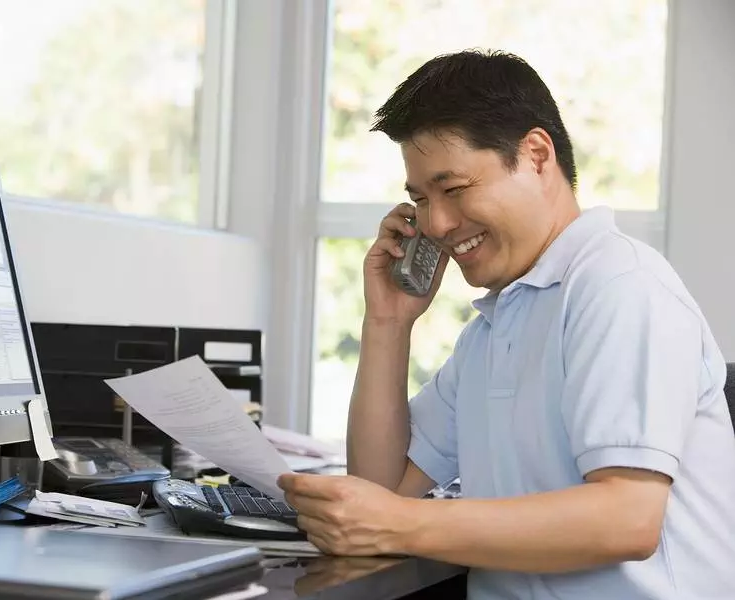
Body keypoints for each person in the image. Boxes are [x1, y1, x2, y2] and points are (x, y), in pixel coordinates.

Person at [277, 49, 735, 599]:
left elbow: (627, 519)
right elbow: (380, 488)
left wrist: (399, 522)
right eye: (419, 199)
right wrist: (387, 324)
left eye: (454, 189)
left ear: (536, 156)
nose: (437, 223)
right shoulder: (494, 329)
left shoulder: (620, 286)